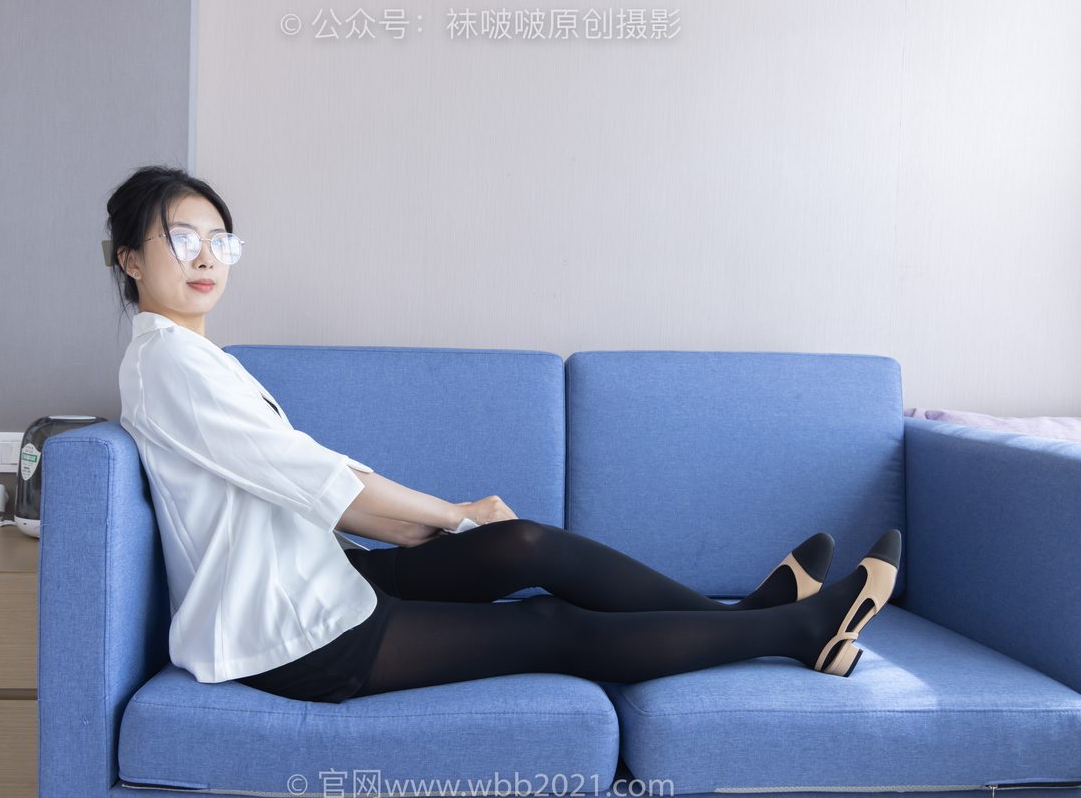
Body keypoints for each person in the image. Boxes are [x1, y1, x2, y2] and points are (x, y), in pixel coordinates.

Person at [107, 164, 902, 704]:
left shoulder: (198, 359)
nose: (207, 257)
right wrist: (452, 517)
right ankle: (794, 627)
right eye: (182, 238)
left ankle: (753, 614)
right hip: (290, 635)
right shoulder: (166, 364)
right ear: (130, 259)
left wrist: (440, 525)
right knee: (550, 625)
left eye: (220, 240)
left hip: (328, 574)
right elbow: (317, 481)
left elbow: (312, 482)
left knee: (521, 544)